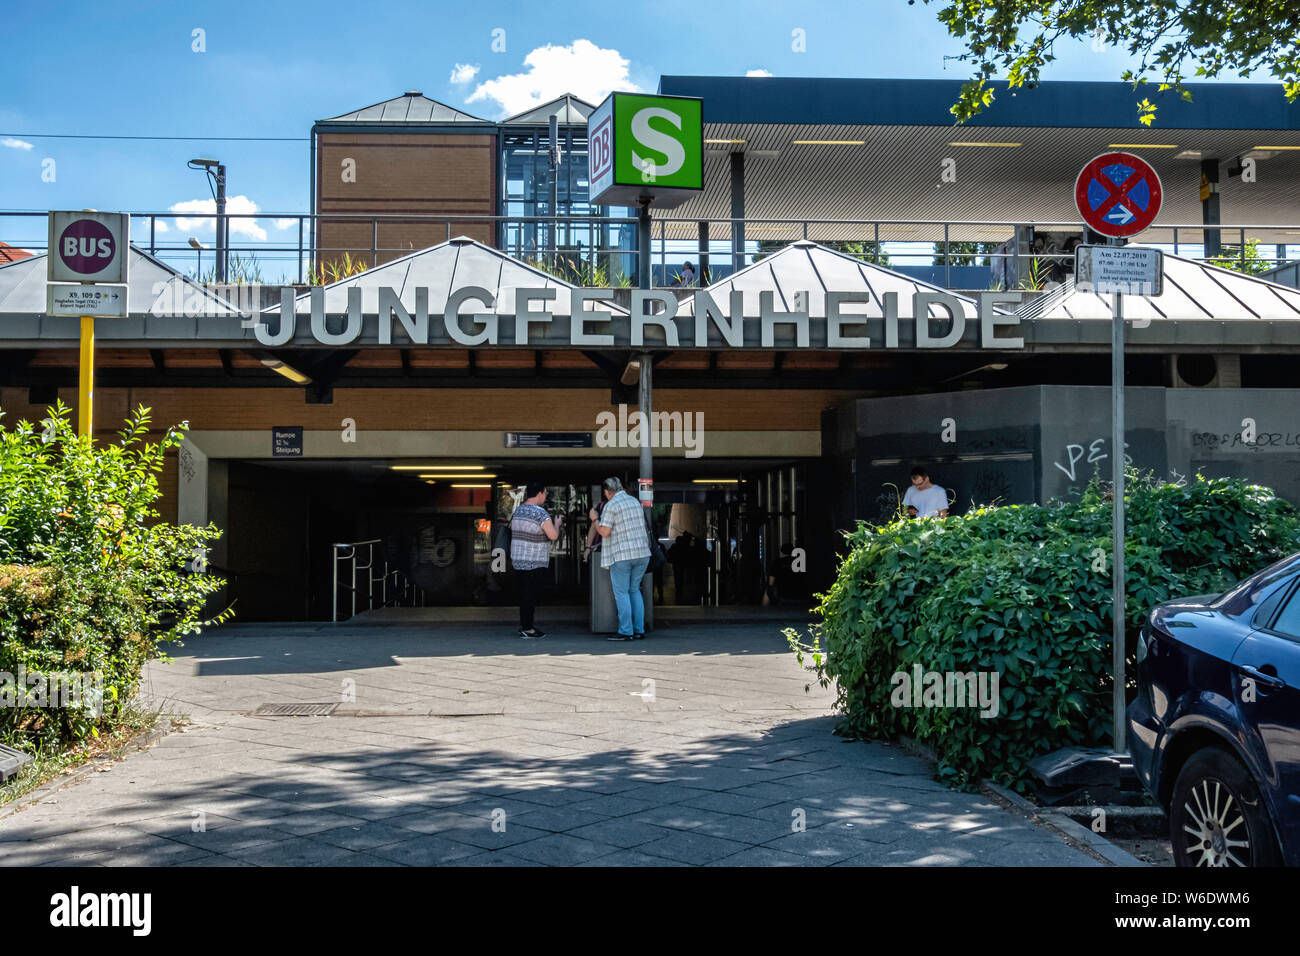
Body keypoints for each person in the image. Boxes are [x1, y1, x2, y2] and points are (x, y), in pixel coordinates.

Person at [591, 477, 651, 641]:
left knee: (622, 593)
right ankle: (639, 630)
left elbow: (604, 531)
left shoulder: (612, 505)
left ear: (607, 492)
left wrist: (595, 519)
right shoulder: (635, 502)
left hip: (623, 555)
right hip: (642, 554)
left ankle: (626, 631)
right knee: (635, 590)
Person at [510, 481, 562, 638]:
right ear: (540, 493)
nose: (545, 497)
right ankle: (528, 628)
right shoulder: (540, 513)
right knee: (530, 596)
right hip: (534, 561)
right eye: (545, 494)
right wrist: (557, 524)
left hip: (518, 560)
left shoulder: (518, 511)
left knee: (524, 595)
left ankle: (524, 625)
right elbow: (553, 535)